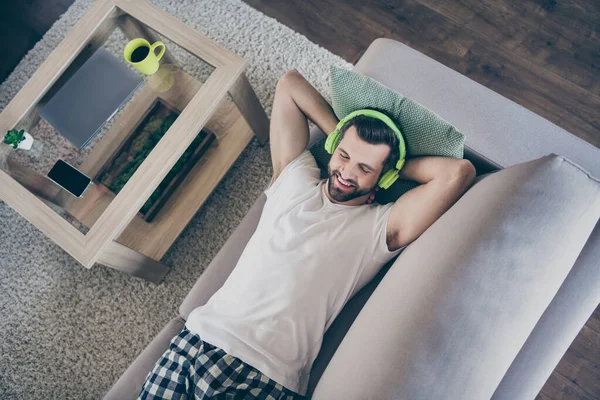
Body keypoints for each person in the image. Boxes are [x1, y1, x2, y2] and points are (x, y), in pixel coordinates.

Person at [139, 70, 476, 399]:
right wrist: (343, 138)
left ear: (383, 179)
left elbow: (458, 173)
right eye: (343, 156)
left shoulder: (378, 229)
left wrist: (391, 167)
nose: (346, 172)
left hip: (265, 377)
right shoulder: (295, 179)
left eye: (364, 169)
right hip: (197, 342)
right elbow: (289, 85)